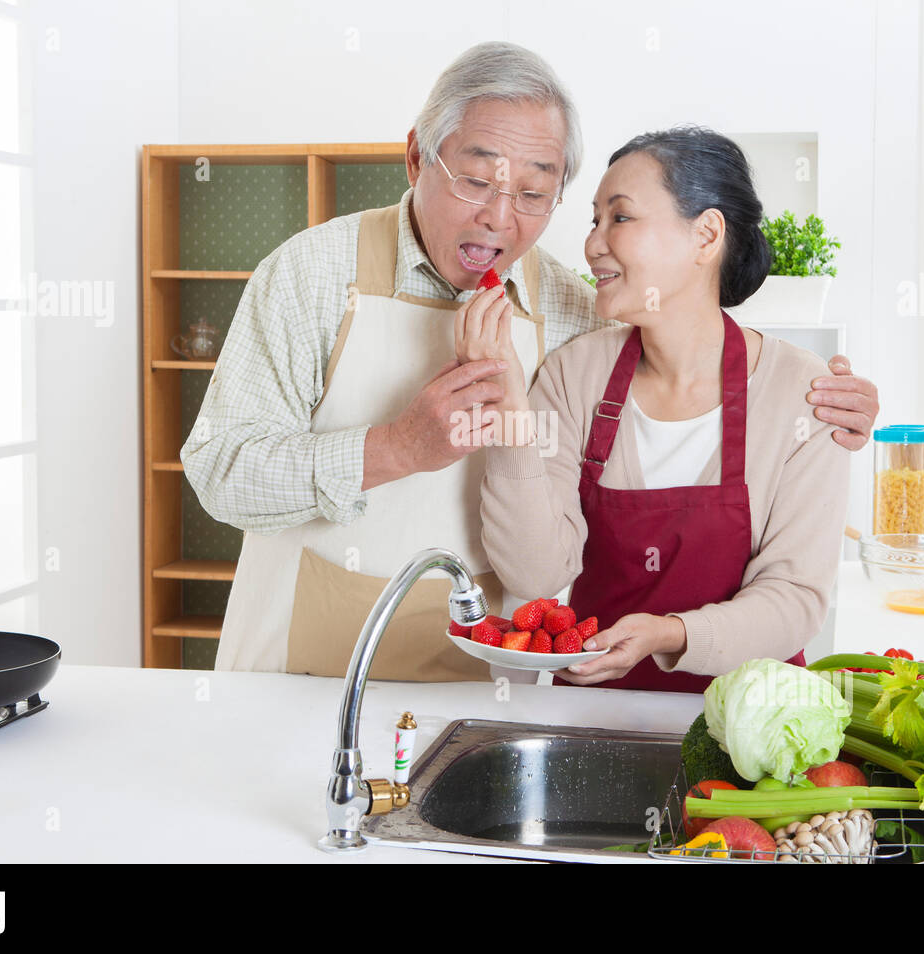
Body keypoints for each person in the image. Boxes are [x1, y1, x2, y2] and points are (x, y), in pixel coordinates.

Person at [181, 42, 878, 678]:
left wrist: (826, 402)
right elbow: (220, 475)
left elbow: (685, 351)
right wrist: (396, 447)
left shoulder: (576, 315)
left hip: (482, 675)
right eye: (477, 180)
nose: (499, 217)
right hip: (301, 669)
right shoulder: (312, 275)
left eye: (535, 193)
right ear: (418, 156)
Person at [472, 126, 851, 691]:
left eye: (620, 218)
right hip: (598, 717)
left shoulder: (806, 394)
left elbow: (795, 599)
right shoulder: (573, 376)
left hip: (748, 732)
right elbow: (536, 572)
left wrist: (671, 634)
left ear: (705, 235)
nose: (593, 243)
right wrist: (505, 408)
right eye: (594, 221)